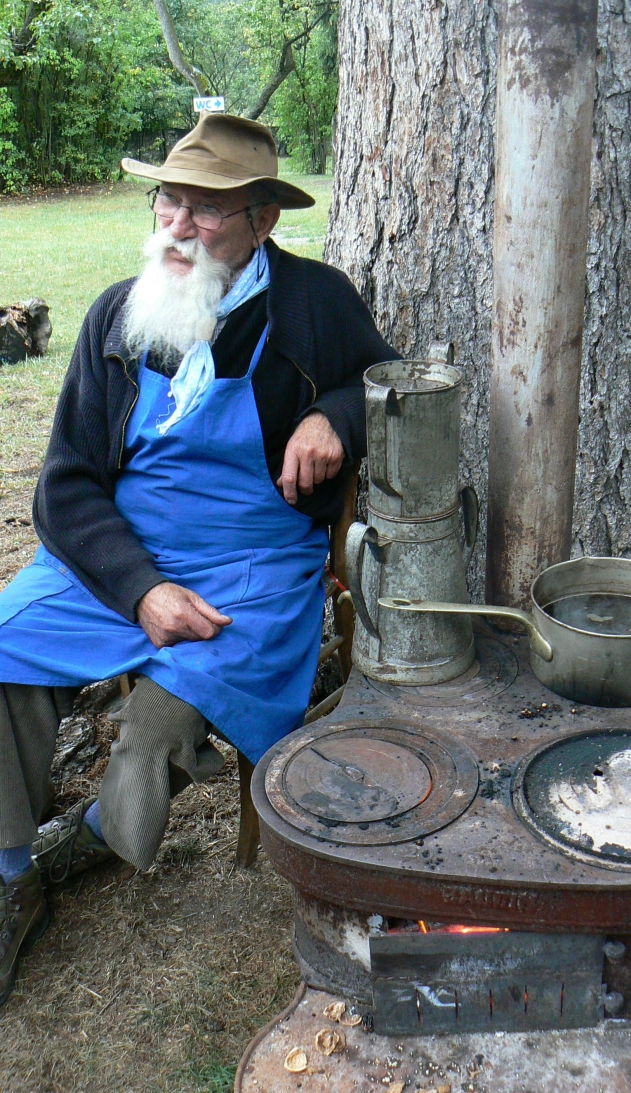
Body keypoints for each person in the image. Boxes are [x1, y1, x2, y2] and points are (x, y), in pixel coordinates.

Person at [0, 112, 396, 1005]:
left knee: (164, 721)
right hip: (116, 559)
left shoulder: (314, 301)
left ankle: (101, 830)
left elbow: (385, 379)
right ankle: (11, 877)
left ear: (261, 221)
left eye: (205, 211)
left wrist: (339, 414)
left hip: (254, 565)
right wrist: (140, 590)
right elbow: (64, 487)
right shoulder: (120, 312)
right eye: (168, 202)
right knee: (2, 650)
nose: (176, 227)